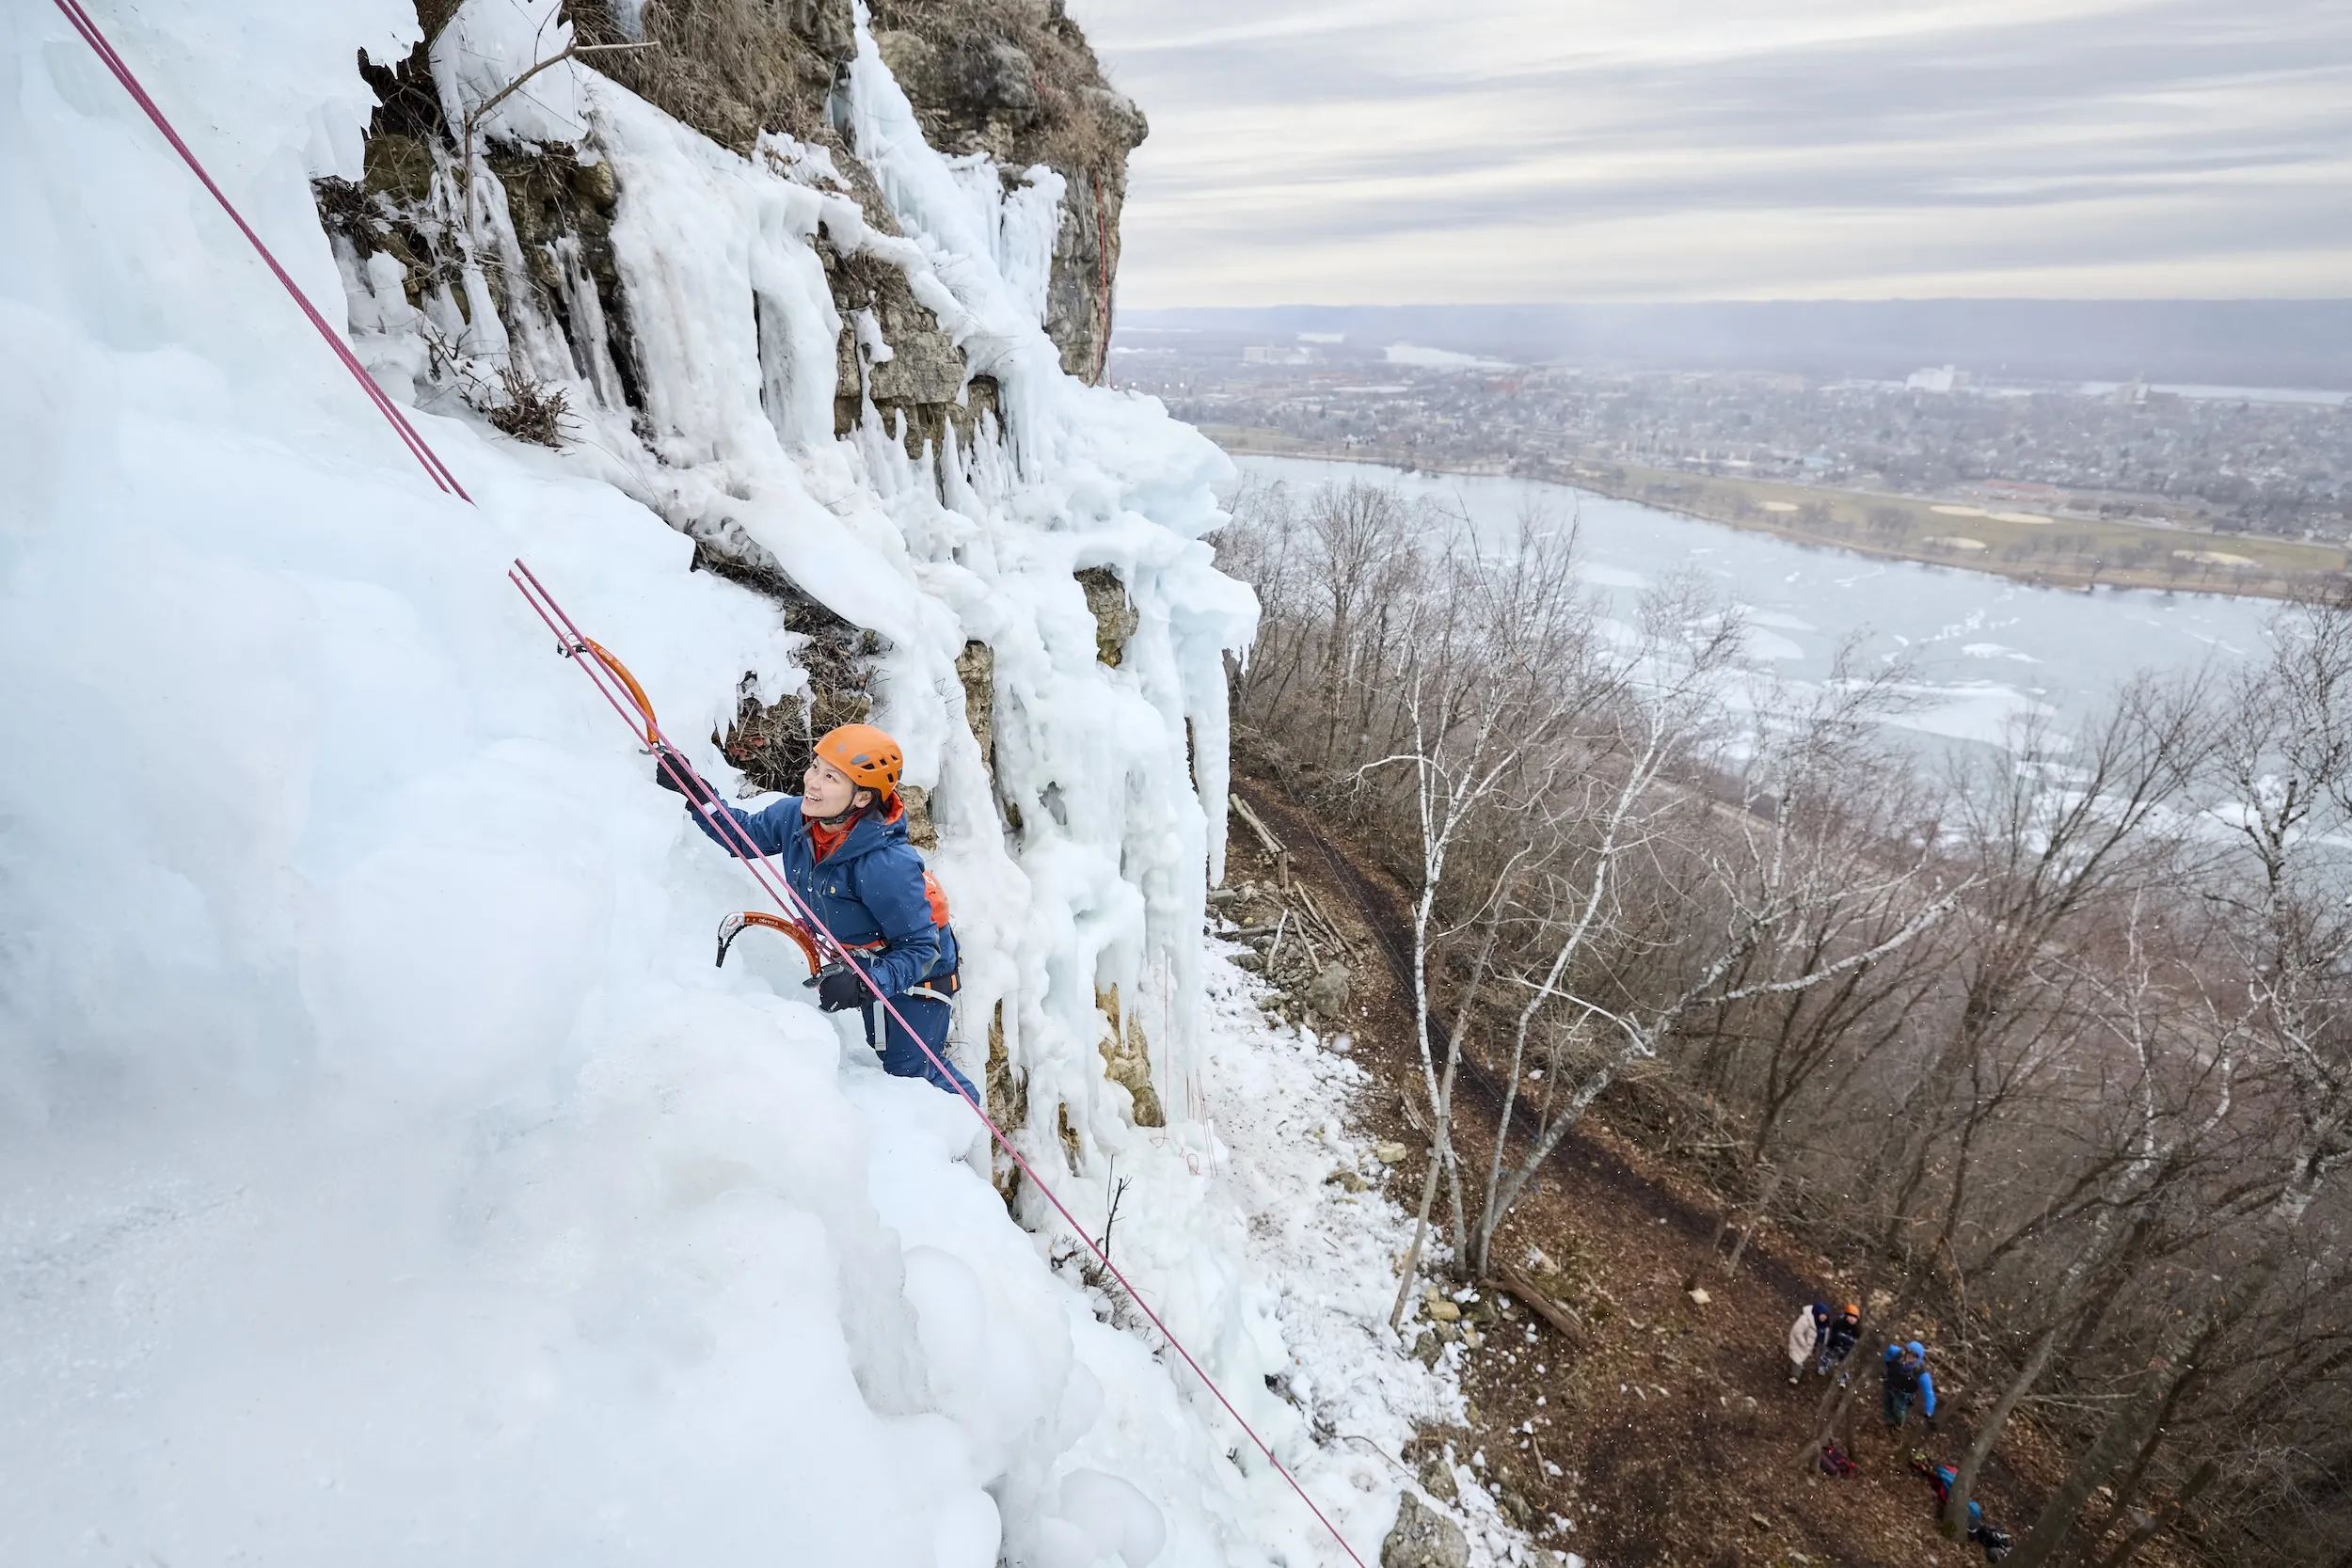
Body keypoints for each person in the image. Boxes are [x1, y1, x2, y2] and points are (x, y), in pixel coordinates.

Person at [658, 722, 976, 1100]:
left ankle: (959, 1132)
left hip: (918, 974)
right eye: (815, 767)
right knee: (886, 1054)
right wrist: (695, 793)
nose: (812, 782)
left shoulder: (885, 864)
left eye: (831, 777)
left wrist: (864, 984)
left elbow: (921, 949)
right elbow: (741, 837)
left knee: (913, 1074)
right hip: (863, 959)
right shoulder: (797, 818)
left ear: (861, 798)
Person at [1882, 1339, 1939, 1433]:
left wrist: (1929, 1412)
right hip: (1890, 1383)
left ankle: (1899, 1423)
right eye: (1909, 1353)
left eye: (1914, 1356)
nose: (1910, 1358)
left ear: (1918, 1358)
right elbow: (1886, 1347)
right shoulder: (1897, 1353)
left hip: (1903, 1393)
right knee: (1887, 1402)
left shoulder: (1922, 1375)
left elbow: (1929, 1395)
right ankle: (1888, 1420)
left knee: (1898, 1408)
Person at [1786, 1301, 1831, 1385]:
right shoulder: (1805, 1320)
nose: (1824, 1317)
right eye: (1822, 1314)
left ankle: (1797, 1372)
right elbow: (1797, 1332)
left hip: (1809, 1345)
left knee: (1801, 1359)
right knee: (1797, 1359)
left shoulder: (1823, 1325)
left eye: (1825, 1315)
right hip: (1799, 1343)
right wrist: (1804, 1343)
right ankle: (1794, 1377)